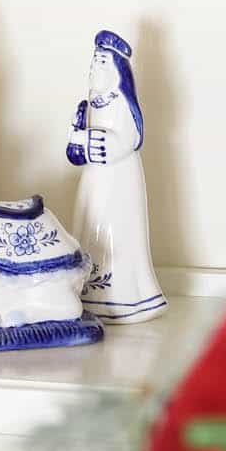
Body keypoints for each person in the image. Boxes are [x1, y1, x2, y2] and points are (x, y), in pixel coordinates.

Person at [68, 30, 166, 324]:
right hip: (94, 179)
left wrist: (87, 140)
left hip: (119, 181)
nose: (93, 68)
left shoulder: (122, 104)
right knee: (90, 224)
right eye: (93, 62)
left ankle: (122, 296)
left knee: (115, 229)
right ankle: (87, 291)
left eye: (100, 62)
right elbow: (75, 149)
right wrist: (76, 137)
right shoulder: (90, 105)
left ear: (115, 69)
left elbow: (126, 141)